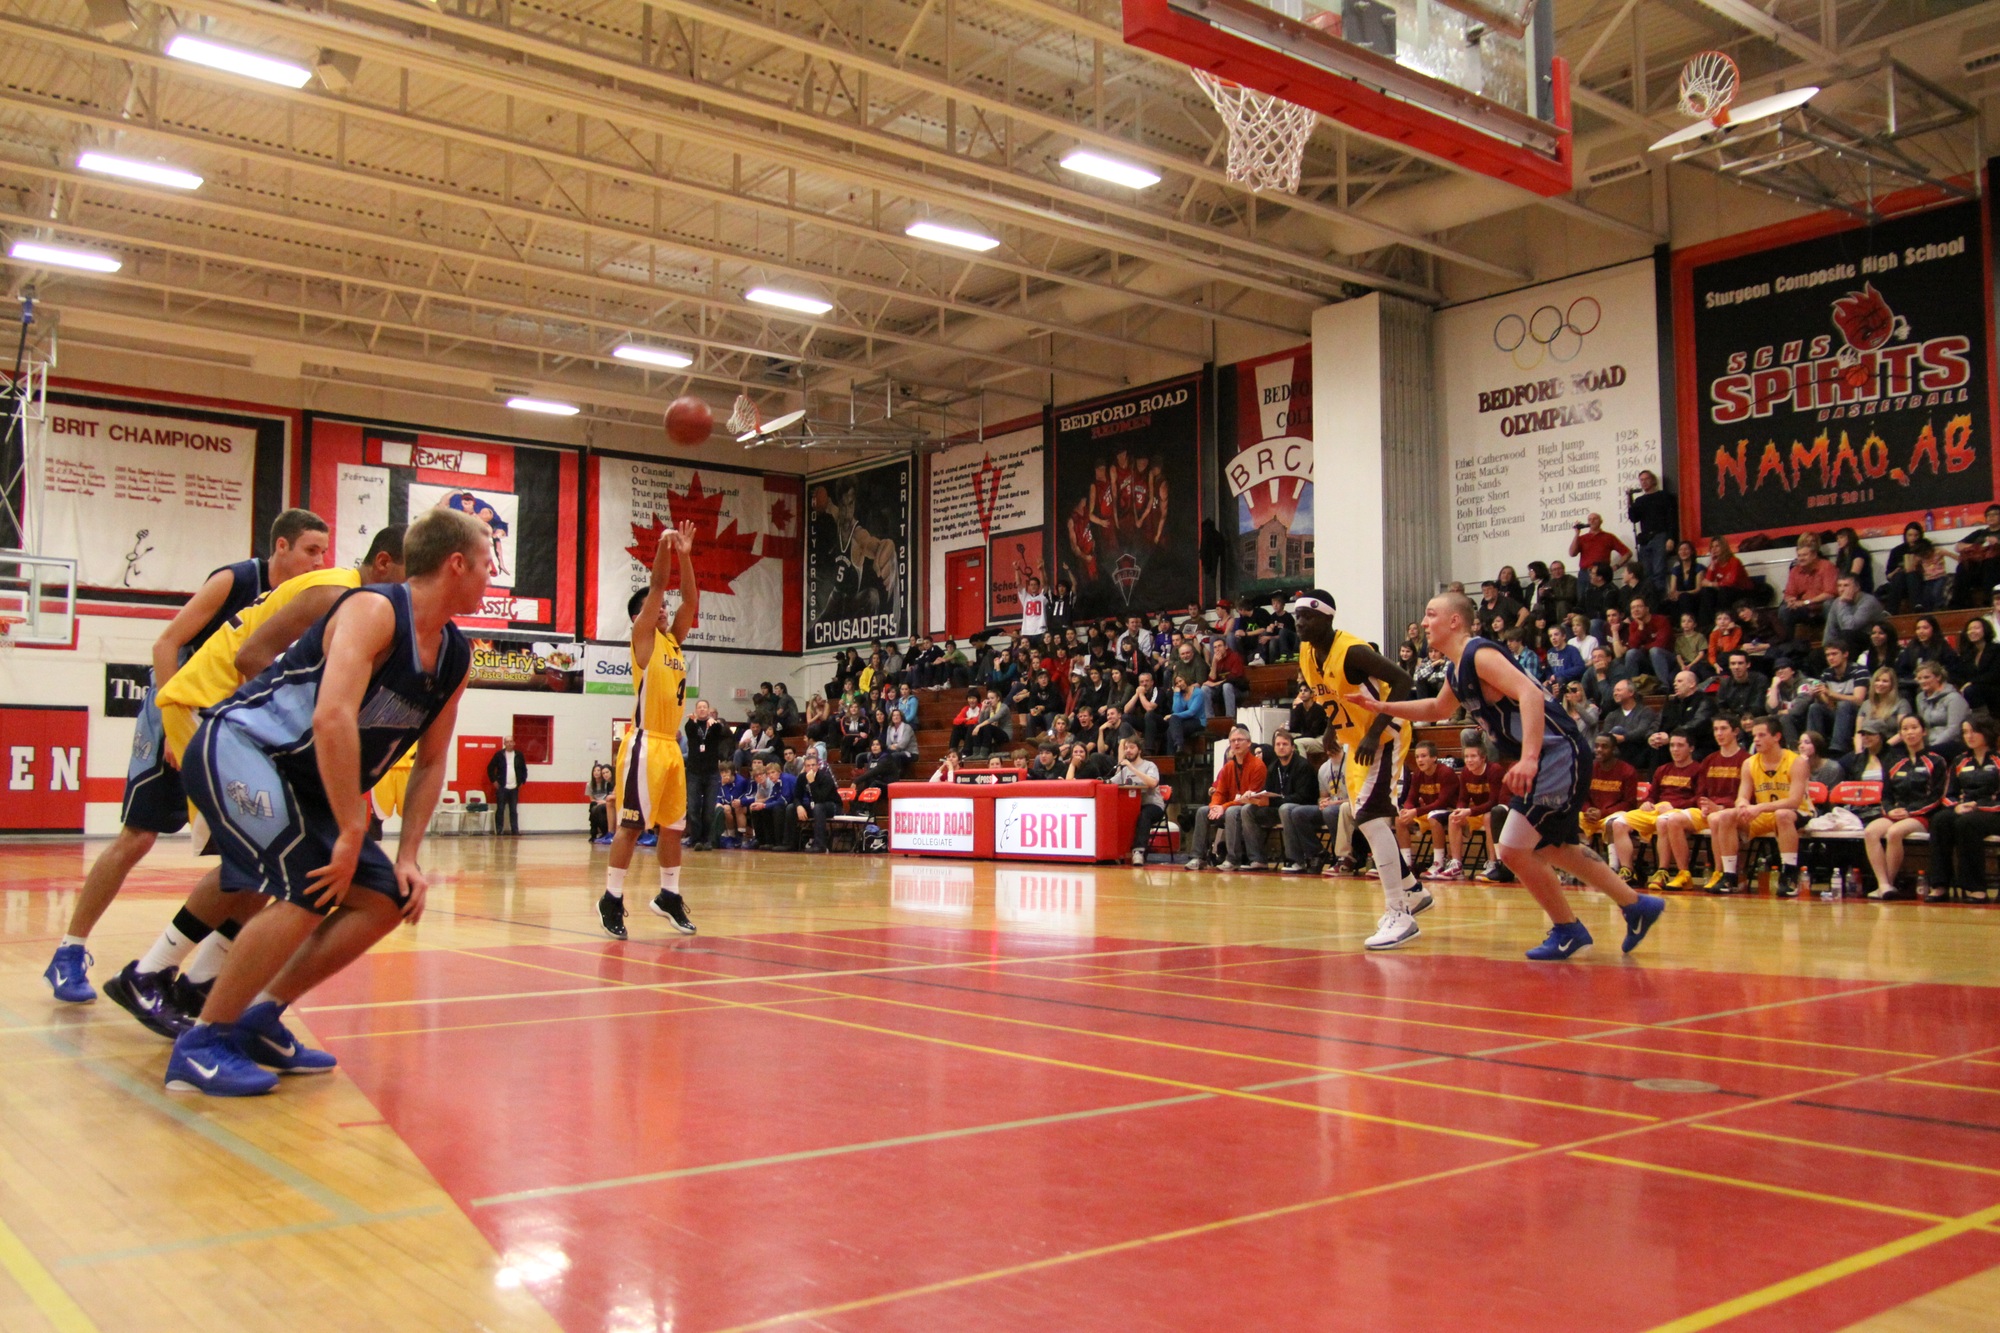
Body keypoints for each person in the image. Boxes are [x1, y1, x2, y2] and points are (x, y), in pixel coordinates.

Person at [162, 507, 483, 1095]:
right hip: (242, 747)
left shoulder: (455, 656)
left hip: (305, 782)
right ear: (457, 564)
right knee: (308, 878)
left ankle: (258, 1016)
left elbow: (432, 760)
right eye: (488, 563)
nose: (493, 576)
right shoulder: (374, 611)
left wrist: (408, 856)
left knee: (388, 898)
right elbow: (331, 717)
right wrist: (351, 829)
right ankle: (201, 1043)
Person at [96, 526, 406, 1036]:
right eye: (409, 578)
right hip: (211, 706)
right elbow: (251, 658)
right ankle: (149, 974)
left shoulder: (360, 600)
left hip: (237, 716)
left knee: (272, 863)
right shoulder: (337, 593)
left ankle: (200, 982)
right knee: (257, 856)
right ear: (383, 564)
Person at [45, 507, 329, 1005]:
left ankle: (201, 978)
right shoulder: (236, 579)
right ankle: (69, 950)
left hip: (228, 726)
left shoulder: (303, 600)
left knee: (252, 858)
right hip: (177, 709)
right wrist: (175, 729)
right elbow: (166, 643)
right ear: (281, 546)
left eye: (324, 552)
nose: (319, 561)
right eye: (311, 550)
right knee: (138, 837)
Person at [1353, 590, 1663, 959]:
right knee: (1554, 847)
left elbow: (1530, 694)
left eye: (1431, 614)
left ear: (1454, 620)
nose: (1423, 622)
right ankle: (1635, 906)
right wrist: (1381, 706)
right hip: (1548, 756)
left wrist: (1528, 758)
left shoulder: (1479, 654)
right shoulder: (1456, 668)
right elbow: (1437, 707)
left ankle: (1569, 929)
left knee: (1514, 848)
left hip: (1557, 753)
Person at [1288, 589, 1431, 949]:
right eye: (1297, 616)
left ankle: (1400, 912)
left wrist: (1374, 731)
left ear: (1327, 618)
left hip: (1385, 735)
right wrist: (1330, 728)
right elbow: (1331, 695)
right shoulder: (1307, 652)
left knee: (1369, 816)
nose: (1300, 622)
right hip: (1356, 739)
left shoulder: (1353, 651)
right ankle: (1412, 890)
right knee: (1363, 815)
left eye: (1307, 616)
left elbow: (1403, 680)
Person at [598, 520, 702, 940]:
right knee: (631, 825)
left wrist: (686, 557)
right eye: (654, 606)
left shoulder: (673, 640)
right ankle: (611, 897)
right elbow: (658, 585)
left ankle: (668, 896)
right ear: (639, 615)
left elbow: (690, 601)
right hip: (643, 743)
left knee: (675, 827)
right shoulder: (643, 638)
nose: (663, 608)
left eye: (662, 607)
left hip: (670, 747)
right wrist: (664, 547)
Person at [1704, 716, 1814, 896]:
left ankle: (1789, 875)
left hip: (1797, 813)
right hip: (1764, 814)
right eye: (1754, 736)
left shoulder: (1796, 762)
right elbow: (1742, 796)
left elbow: (1794, 801)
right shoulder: (1749, 763)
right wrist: (1743, 806)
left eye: (1762, 735)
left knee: (1782, 814)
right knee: (1725, 816)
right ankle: (1729, 876)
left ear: (1777, 736)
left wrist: (1759, 808)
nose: (1756, 740)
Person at [1653, 717, 1747, 890]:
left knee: (1717, 818)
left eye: (1723, 728)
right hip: (1708, 810)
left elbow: (1748, 796)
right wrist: (1703, 804)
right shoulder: (1709, 760)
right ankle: (1684, 873)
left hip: (1731, 812)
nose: (1719, 733)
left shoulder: (1746, 760)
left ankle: (1719, 873)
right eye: (1716, 729)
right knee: (1673, 819)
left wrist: (1721, 807)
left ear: (1735, 732)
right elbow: (1701, 792)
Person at [1859, 714, 1947, 900]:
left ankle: (1890, 883)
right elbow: (1886, 795)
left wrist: (1910, 812)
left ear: (1923, 731)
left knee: (1894, 833)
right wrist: (1890, 810)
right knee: (1871, 831)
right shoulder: (1893, 761)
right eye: (1905, 729)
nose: (1910, 732)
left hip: (1922, 815)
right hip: (1896, 812)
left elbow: (1937, 796)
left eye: (1914, 728)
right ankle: (1883, 884)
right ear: (1900, 734)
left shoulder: (1936, 760)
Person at [1920, 714, 2000, 901]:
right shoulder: (1959, 760)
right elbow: (1949, 794)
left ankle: (1975, 887)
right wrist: (1956, 807)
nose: (1969, 736)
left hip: (1994, 812)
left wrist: (1979, 806)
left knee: (1967, 823)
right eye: (1965, 732)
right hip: (1966, 809)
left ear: (1986, 732)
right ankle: (1940, 884)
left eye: (1974, 731)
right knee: (1940, 820)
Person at [1610, 732, 1703, 889]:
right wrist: (1648, 802)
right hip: (1658, 810)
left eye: (1680, 745)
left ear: (1691, 748)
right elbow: (1652, 795)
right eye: (1672, 745)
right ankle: (1628, 871)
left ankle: (1662, 871)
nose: (1675, 749)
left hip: (1681, 812)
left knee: (1663, 821)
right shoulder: (1662, 769)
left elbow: (1699, 797)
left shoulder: (1698, 769)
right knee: (1619, 823)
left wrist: (1676, 806)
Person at [1183, 726, 1266, 872]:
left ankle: (1233, 859)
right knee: (1203, 811)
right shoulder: (1228, 767)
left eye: (1240, 740)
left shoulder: (1258, 765)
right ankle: (1197, 857)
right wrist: (1214, 806)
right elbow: (1219, 792)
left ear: (1249, 743)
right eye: (1233, 741)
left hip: (1250, 807)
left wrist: (1224, 807)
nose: (1236, 743)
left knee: (1232, 811)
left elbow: (1250, 797)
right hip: (1230, 807)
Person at [1431, 742, 1506, 881]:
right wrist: (1460, 809)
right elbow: (1463, 798)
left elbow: (1493, 802)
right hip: (1477, 812)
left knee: (1488, 816)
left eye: (1473, 756)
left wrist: (1469, 811)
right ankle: (1456, 865)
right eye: (1466, 757)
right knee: (1453, 817)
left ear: (1483, 758)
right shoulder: (1466, 772)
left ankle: (1493, 863)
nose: (1469, 760)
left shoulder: (1495, 770)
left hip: (1499, 813)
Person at [1248, 731, 1315, 871]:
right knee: (1247, 810)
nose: (1281, 747)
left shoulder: (1303, 766)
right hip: (1278, 808)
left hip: (1301, 809)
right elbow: (1267, 792)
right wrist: (1256, 798)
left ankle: (1295, 860)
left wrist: (1272, 802)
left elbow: (1303, 797)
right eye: (1278, 744)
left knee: (1286, 809)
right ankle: (1257, 859)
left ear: (1293, 747)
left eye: (1285, 744)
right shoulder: (1273, 767)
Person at [1394, 741, 1459, 877]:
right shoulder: (1418, 774)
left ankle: (1439, 863)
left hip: (1450, 811)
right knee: (1400, 819)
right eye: (1417, 757)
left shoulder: (1446, 773)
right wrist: (1407, 809)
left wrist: (1415, 811)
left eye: (1423, 756)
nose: (1419, 760)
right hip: (1429, 811)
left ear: (1434, 757)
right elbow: (1411, 798)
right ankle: (1407, 864)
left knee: (1433, 817)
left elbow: (1441, 803)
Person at [1579, 734, 1639, 863]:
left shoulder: (1627, 771)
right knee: (1570, 818)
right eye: (1596, 746)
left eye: (1604, 746)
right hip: (1592, 814)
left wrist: (1602, 813)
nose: (1599, 750)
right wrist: (1587, 809)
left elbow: (1629, 803)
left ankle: (1614, 866)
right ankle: (1577, 864)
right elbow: (1582, 797)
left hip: (1615, 814)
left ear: (1614, 749)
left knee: (1612, 822)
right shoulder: (1589, 768)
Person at [1109, 737, 1165, 866]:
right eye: (1126, 748)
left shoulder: (1149, 766)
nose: (1128, 750)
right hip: (1132, 806)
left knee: (1143, 815)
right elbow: (1110, 782)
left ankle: (1138, 852)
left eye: (1132, 747)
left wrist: (1132, 768)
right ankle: (1118, 851)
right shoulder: (1124, 770)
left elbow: (1152, 783)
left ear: (1139, 750)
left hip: (1152, 805)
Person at [1778, 534, 1837, 641]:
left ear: (1814, 555)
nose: (1801, 558)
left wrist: (1806, 602)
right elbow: (1789, 593)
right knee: (1784, 609)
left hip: (1821, 606)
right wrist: (1790, 601)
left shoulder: (1827, 566)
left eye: (1804, 555)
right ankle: (1788, 644)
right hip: (1805, 609)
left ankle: (1832, 643)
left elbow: (1830, 593)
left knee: (1829, 604)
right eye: (1799, 555)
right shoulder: (1795, 570)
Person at [1652, 670, 1715, 759]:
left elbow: (1697, 724)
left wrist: (1671, 736)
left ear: (1692, 684)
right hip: (1670, 743)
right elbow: (1657, 722)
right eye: (1674, 682)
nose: (1675, 684)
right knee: (1653, 750)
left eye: (1679, 681)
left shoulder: (1704, 701)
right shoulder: (1672, 703)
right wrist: (1652, 736)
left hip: (1697, 745)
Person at [1627, 470, 1676, 585]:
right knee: (1646, 572)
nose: (1644, 482)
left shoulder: (1664, 496)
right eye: (1641, 480)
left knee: (1659, 570)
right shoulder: (1640, 500)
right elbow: (1634, 518)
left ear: (1653, 480)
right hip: (1645, 538)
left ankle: (1659, 594)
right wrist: (1629, 500)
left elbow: (1671, 518)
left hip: (1660, 535)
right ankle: (1650, 594)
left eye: (1647, 479)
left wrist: (1671, 538)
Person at [1601, 679, 1660, 772]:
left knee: (1617, 730)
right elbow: (1606, 735)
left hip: (1638, 752)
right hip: (1618, 751)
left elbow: (1642, 731)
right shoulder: (1611, 715)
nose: (1615, 693)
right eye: (1614, 691)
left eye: (1618, 690)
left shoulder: (1645, 711)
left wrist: (1623, 738)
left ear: (1631, 692)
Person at [1824, 573, 1890, 655]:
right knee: (1817, 655)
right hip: (1849, 641)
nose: (1841, 589)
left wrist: (1843, 603)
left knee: (1847, 635)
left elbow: (1850, 627)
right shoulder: (1837, 602)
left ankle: (1850, 663)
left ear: (1857, 587)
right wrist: (1826, 649)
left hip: (1872, 640)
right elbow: (1830, 630)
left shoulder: (1868, 601)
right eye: (1839, 586)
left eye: (1846, 585)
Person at [1914, 660, 1969, 757]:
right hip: (1928, 744)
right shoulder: (1920, 698)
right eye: (1919, 678)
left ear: (1938, 677)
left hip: (1950, 744)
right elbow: (1922, 726)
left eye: (1926, 677)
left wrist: (1932, 747)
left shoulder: (1954, 698)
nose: (1922, 681)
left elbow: (1954, 730)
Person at [793, 753, 844, 853]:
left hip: (833, 806)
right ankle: (790, 843)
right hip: (816, 806)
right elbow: (796, 796)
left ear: (818, 766)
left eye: (813, 765)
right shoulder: (802, 777)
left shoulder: (826, 778)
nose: (811, 768)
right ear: (804, 767)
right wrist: (799, 806)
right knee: (791, 808)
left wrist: (812, 782)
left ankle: (820, 845)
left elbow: (820, 798)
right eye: (808, 765)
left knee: (818, 807)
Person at [1951, 505, 2000, 607]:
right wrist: (1977, 546)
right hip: (1977, 567)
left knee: (1990, 563)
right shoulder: (1980, 533)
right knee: (1962, 567)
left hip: (1995, 566)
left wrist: (1997, 543)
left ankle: (1989, 602)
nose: (1991, 517)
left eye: (1995, 514)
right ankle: (1959, 605)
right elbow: (1958, 546)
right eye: (1988, 515)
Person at [486, 737, 527, 835]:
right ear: (504, 743)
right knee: (500, 809)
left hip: (514, 787)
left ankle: (515, 830)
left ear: (514, 743)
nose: (509, 743)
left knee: (513, 810)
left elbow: (524, 769)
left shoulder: (519, 755)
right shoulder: (499, 755)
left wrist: (522, 781)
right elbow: (490, 768)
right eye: (507, 742)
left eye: (511, 741)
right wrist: (494, 781)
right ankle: (499, 830)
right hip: (502, 787)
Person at [587, 761, 614, 842]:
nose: (596, 772)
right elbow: (591, 798)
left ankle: (606, 832)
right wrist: (598, 802)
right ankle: (594, 833)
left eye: (598, 771)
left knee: (598, 809)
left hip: (608, 802)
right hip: (600, 802)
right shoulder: (590, 784)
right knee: (593, 807)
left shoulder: (607, 783)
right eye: (594, 771)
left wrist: (604, 801)